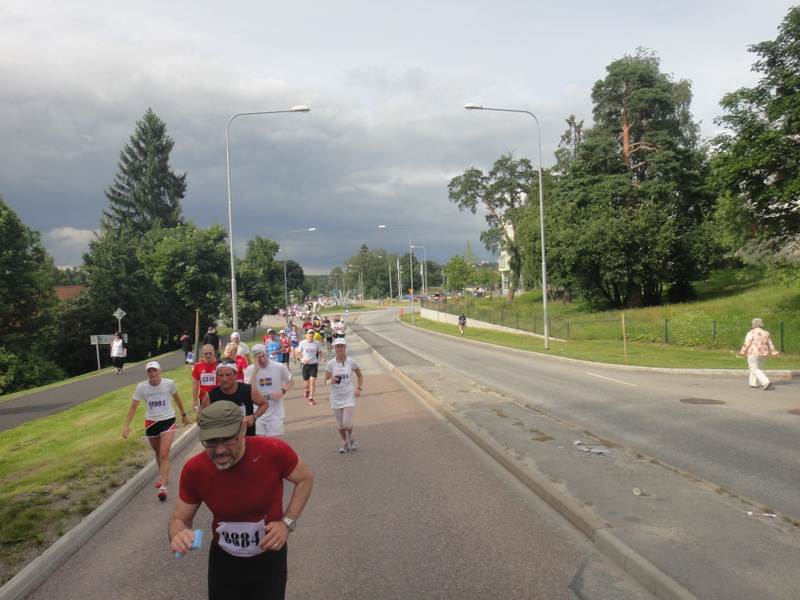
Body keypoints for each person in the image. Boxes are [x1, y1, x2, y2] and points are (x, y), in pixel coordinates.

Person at [168, 401, 313, 600]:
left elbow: (305, 478)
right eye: (210, 442)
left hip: (268, 560)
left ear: (243, 428)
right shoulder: (195, 469)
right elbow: (180, 519)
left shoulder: (272, 450)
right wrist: (178, 535)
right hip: (224, 563)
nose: (219, 450)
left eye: (228, 439)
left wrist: (286, 523)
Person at [122, 361, 189, 501]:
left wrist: (183, 414)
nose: (152, 373)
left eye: (154, 370)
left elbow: (177, 399)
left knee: (164, 453)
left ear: (160, 371)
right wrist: (126, 426)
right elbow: (133, 407)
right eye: (149, 371)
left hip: (168, 420)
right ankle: (162, 474)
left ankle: (163, 488)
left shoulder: (168, 383)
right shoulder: (141, 387)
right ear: (147, 373)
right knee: (158, 452)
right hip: (152, 422)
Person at [201, 359, 268, 437]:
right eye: (221, 375)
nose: (224, 379)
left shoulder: (248, 390)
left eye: (228, 375)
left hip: (247, 438)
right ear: (217, 376)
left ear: (235, 374)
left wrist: (254, 417)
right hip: (223, 442)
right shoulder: (211, 396)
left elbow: (264, 404)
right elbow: (200, 419)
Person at [245, 344, 295, 436]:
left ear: (266, 353)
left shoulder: (279, 367)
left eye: (263, 356)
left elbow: (291, 381)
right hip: (258, 412)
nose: (262, 360)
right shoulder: (250, 370)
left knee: (274, 443)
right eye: (258, 358)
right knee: (260, 443)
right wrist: (255, 371)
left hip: (275, 412)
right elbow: (247, 390)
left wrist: (282, 390)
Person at [324, 338, 363, 453]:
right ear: (334, 348)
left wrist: (359, 388)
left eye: (342, 346)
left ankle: (351, 436)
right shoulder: (330, 364)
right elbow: (325, 381)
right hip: (336, 397)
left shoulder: (351, 362)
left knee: (347, 423)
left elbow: (360, 376)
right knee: (340, 424)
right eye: (337, 346)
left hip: (348, 396)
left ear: (345, 348)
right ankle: (344, 441)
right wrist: (330, 381)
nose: (340, 348)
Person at [738, 317, 780, 390]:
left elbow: (747, 343)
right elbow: (770, 344)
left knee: (754, 368)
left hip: (753, 352)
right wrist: (774, 352)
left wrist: (743, 351)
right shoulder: (766, 333)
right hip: (764, 353)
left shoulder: (752, 332)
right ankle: (753, 383)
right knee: (758, 368)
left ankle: (765, 381)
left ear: (754, 325)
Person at [295, 328, 324, 405]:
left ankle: (311, 398)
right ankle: (308, 390)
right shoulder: (303, 343)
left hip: (314, 364)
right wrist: (303, 359)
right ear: (307, 335)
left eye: (312, 333)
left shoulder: (316, 343)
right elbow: (297, 353)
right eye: (309, 333)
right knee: (306, 384)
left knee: (312, 381)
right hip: (305, 365)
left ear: (314, 335)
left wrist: (323, 357)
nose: (311, 335)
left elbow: (320, 351)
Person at [191, 344, 219, 411]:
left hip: (218, 394)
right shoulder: (198, 365)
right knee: (205, 416)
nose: (208, 355)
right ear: (203, 354)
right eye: (206, 353)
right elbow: (195, 383)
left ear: (214, 352)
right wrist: (195, 399)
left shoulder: (219, 364)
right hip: (204, 395)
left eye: (210, 353)